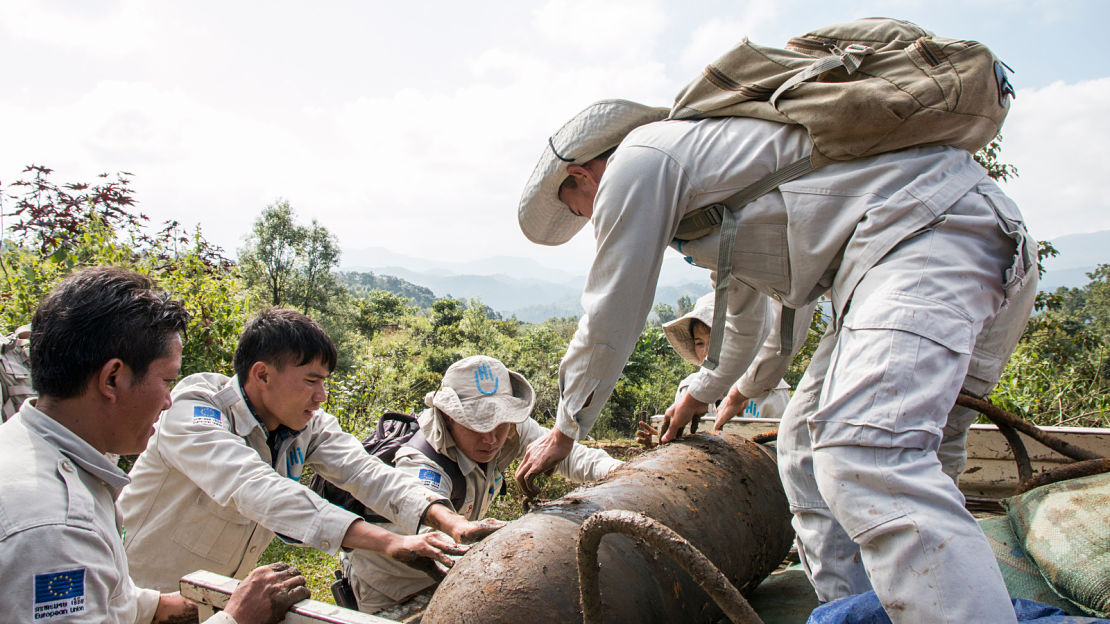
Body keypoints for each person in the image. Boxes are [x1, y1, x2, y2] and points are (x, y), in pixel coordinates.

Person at [514, 99, 1038, 622]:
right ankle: (856, 611)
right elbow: (754, 323)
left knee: (866, 450)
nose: (591, 218)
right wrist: (718, 390)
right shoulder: (717, 189)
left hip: (930, 239)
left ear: (583, 176)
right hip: (947, 249)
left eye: (580, 209)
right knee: (805, 444)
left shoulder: (639, 160)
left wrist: (565, 430)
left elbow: (612, 311)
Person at [0, 266, 309, 624]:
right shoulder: (59, 529)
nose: (167, 402)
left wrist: (179, 605)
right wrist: (236, 617)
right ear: (112, 378)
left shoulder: (31, 446)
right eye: (166, 381)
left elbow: (111, 601)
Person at [119, 308, 502, 593]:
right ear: (262, 375)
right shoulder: (196, 408)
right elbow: (256, 488)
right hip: (144, 592)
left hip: (221, 595)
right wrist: (390, 541)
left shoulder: (306, 425)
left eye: (325, 383)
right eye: (311, 382)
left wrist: (453, 523)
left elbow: (366, 473)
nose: (321, 397)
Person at [341, 355, 622, 614]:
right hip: (393, 586)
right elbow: (439, 542)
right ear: (450, 417)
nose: (490, 439)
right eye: (477, 426)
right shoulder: (421, 464)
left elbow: (569, 456)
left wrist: (620, 471)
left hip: (453, 575)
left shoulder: (510, 426)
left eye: (498, 424)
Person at [660, 291, 793, 433]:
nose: (707, 351)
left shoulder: (771, 390)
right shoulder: (687, 388)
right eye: (699, 343)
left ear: (734, 344)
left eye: (715, 341)